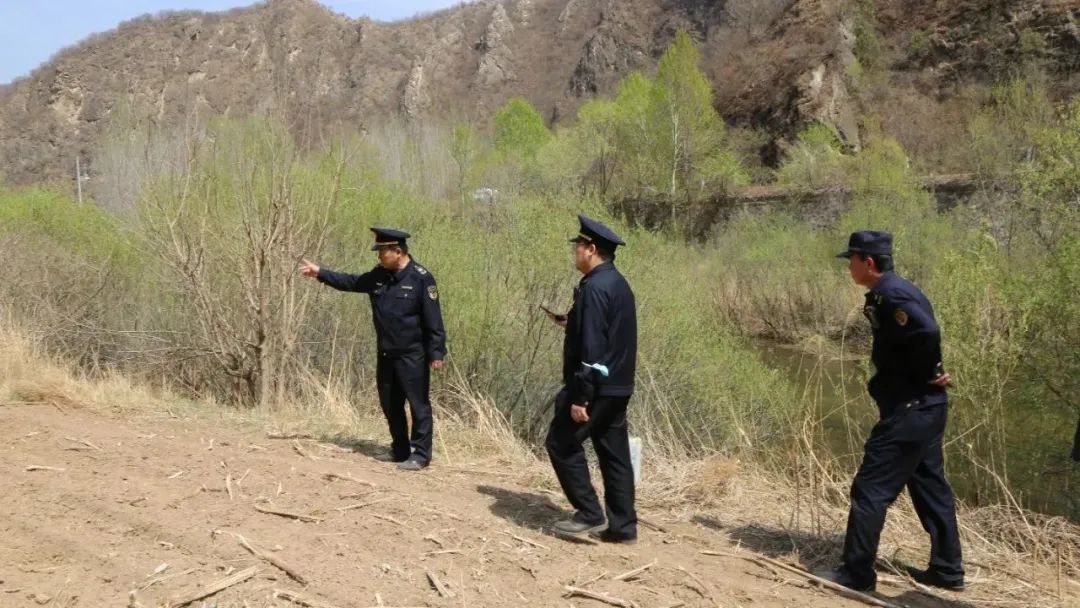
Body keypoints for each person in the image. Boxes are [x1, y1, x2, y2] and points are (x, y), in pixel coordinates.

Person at [818, 230, 965, 592]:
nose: (848, 267)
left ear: (868, 262)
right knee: (930, 487)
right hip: (925, 408)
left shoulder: (893, 294)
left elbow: (927, 331)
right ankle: (947, 571)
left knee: (869, 489)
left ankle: (856, 575)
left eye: (851, 260)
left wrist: (928, 371)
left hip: (911, 410)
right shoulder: (891, 292)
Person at [299, 227, 446, 471]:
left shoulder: (421, 278)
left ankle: (421, 455)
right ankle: (400, 450)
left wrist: (437, 352)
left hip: (412, 355)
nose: (379, 257)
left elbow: (434, 319)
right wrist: (320, 273)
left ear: (398, 252)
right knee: (390, 404)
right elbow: (352, 282)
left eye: (382, 252)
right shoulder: (380, 275)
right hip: (386, 353)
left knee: (418, 405)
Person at [545, 214, 638, 544]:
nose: (575, 252)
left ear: (591, 249)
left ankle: (589, 513)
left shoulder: (595, 288)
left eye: (578, 246)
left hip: (595, 388)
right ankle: (623, 528)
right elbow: (609, 333)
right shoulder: (617, 283)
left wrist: (581, 397)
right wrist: (571, 322)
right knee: (614, 455)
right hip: (618, 385)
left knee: (561, 443)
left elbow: (594, 348)